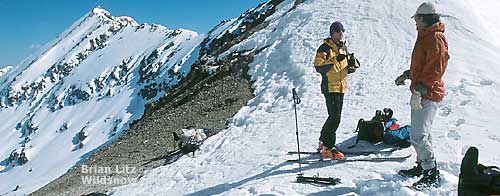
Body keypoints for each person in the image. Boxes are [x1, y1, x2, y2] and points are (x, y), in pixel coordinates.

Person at [395, 2, 449, 189]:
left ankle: (430, 172)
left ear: (424, 19)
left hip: (429, 93)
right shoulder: (425, 36)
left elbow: (436, 69)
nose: (415, 23)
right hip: (422, 91)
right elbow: (422, 65)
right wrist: (407, 74)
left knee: (417, 136)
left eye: (417, 19)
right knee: (422, 133)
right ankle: (422, 165)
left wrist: (420, 89)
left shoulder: (435, 38)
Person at [313, 21, 358, 160]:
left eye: (342, 31)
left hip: (341, 87)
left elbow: (346, 68)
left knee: (334, 116)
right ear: (332, 33)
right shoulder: (325, 48)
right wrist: (334, 59)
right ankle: (328, 147)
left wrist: (351, 64)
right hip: (330, 87)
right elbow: (318, 66)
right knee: (335, 117)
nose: (341, 34)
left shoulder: (343, 48)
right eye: (338, 31)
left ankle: (323, 142)